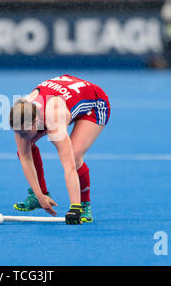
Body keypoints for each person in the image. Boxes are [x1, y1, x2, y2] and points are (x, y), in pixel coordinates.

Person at [9, 74, 111, 224]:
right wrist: (40, 196)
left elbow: (69, 167)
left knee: (74, 156)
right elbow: (25, 158)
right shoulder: (22, 116)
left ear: (36, 122)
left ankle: (84, 205)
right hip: (63, 98)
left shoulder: (55, 119)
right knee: (24, 148)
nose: (21, 136)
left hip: (94, 104)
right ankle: (39, 195)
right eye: (18, 132)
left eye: (24, 132)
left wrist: (74, 207)